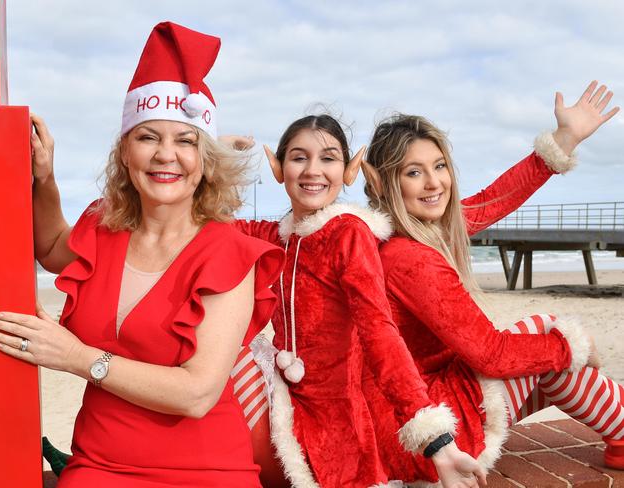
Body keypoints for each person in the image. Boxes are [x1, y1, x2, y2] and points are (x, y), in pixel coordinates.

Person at [0, 22, 284, 487]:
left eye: (185, 141)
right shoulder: (104, 227)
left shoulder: (228, 251)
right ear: (125, 151)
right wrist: (43, 179)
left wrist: (76, 357)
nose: (166, 155)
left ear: (204, 161)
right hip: (97, 466)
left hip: (205, 471)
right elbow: (48, 247)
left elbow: (197, 394)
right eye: (148, 137)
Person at [360, 81, 623, 485]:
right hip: (427, 433)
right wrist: (572, 345)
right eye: (414, 172)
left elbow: (494, 199)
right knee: (545, 335)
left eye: (440, 166)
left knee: (550, 360)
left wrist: (563, 139)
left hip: (417, 414)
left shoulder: (418, 231)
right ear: (381, 183)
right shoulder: (407, 258)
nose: (434, 183)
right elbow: (491, 355)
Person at [235, 115, 487, 488]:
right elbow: (198, 222)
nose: (313, 171)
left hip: (337, 422)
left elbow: (380, 332)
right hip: (283, 403)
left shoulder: (350, 235)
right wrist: (216, 155)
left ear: (350, 170)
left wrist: (435, 440)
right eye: (299, 158)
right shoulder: (274, 236)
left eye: (329, 158)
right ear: (277, 166)